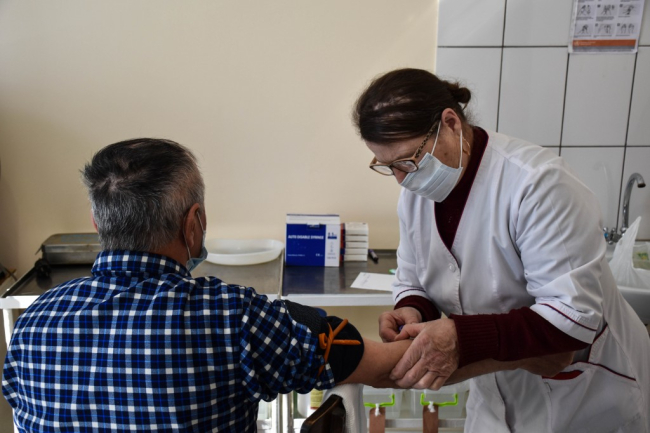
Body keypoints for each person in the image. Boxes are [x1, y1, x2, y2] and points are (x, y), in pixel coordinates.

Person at [2, 138, 412, 432]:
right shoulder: (231, 317)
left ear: (97, 224)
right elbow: (368, 360)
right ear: (193, 223)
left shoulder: (32, 323)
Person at [353, 68, 650, 432]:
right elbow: (414, 277)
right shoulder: (417, 196)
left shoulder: (538, 185)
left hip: (585, 397)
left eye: (409, 160)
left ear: (450, 124)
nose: (402, 178)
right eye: (389, 167)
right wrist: (413, 310)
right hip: (494, 397)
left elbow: (571, 319)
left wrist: (459, 337)